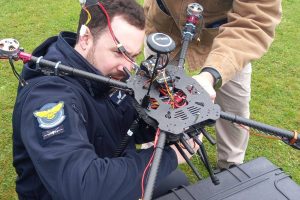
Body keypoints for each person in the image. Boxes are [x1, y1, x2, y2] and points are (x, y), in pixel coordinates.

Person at [12, 1, 189, 199]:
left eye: (134, 56)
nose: (128, 67)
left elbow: (127, 124)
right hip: (72, 191)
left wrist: (168, 119)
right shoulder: (48, 98)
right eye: (119, 52)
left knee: (177, 183)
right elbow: (82, 188)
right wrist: (169, 156)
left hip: (108, 168)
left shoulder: (103, 73)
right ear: (86, 38)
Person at [143, 0, 282, 169]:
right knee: (154, 96)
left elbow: (255, 21)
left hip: (227, 37)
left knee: (234, 106)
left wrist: (212, 75)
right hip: (164, 25)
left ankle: (231, 165)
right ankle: (149, 159)